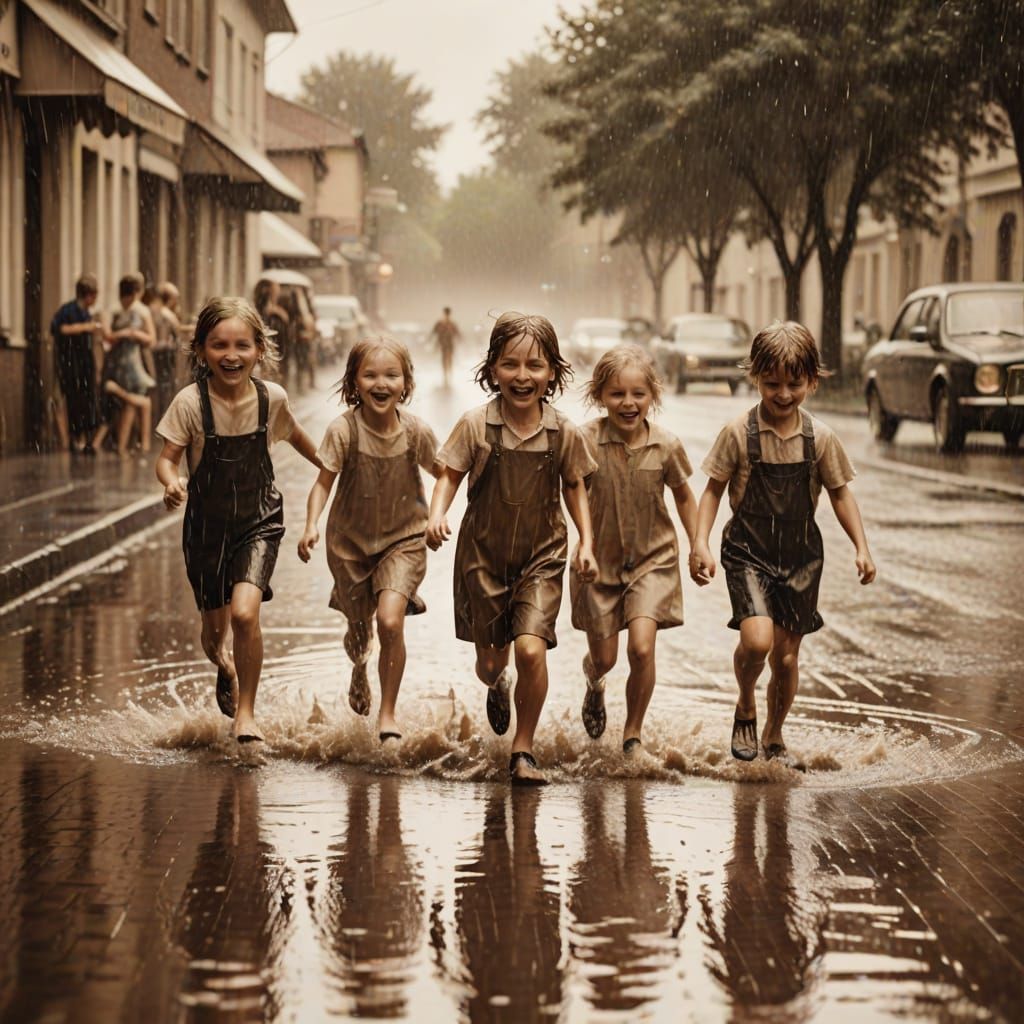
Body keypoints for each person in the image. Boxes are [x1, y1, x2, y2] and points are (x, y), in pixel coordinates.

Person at [689, 321, 876, 770]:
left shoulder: (820, 438)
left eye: (795, 384)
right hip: (748, 552)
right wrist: (700, 542)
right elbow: (712, 491)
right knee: (757, 642)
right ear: (755, 377)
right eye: (772, 384)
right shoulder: (738, 432)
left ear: (812, 380)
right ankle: (745, 702)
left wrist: (862, 547)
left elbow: (840, 494)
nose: (784, 394)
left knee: (787, 658)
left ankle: (774, 735)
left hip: (800, 557)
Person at [426, 312, 598, 785]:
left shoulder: (564, 431)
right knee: (489, 664)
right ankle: (497, 683)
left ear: (552, 372)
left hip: (542, 556)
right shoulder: (475, 424)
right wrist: (437, 514)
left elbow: (575, 486)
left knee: (530, 649)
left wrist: (586, 540)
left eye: (535, 365)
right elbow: (448, 476)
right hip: (483, 558)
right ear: (493, 369)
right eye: (511, 364)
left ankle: (524, 749)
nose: (523, 376)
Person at [155, 296, 320, 743]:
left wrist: (333, 465)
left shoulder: (271, 399)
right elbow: (167, 459)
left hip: (258, 520)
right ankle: (224, 663)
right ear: (201, 350)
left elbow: (298, 437)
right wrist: (171, 482)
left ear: (259, 350)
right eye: (219, 345)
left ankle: (246, 713)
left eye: (242, 345)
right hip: (206, 530)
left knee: (246, 614)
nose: (231, 355)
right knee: (214, 635)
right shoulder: (190, 403)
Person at [298, 336, 439, 743]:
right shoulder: (343, 430)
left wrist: (440, 514)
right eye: (370, 375)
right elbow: (322, 483)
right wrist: (311, 524)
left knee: (390, 620)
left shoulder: (415, 431)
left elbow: (447, 473)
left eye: (392, 375)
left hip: (404, 540)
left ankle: (388, 714)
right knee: (359, 631)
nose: (381, 383)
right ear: (354, 382)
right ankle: (360, 666)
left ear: (406, 382)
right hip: (350, 544)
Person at [571, 344, 703, 753]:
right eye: (617, 394)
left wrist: (698, 543)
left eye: (638, 394)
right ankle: (594, 681)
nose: (628, 403)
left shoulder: (666, 445)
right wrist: (583, 543)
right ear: (599, 396)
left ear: (653, 396)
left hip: (652, 560)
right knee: (606, 658)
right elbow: (572, 492)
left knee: (642, 647)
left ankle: (632, 734)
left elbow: (684, 496)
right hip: (599, 563)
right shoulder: (585, 440)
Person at [92, 273, 156, 456]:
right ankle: (129, 444)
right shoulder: (117, 311)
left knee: (130, 402)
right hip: (119, 362)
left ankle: (128, 445)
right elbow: (108, 335)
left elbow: (150, 339)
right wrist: (126, 333)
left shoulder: (140, 311)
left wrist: (132, 334)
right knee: (128, 402)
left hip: (130, 362)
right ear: (137, 291)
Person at [50, 274, 102, 454]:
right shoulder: (68, 310)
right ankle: (75, 437)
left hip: (84, 363)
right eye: (94, 296)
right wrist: (86, 327)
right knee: (73, 399)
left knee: (87, 399)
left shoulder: (86, 313)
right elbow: (59, 329)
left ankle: (84, 437)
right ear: (88, 295)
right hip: (71, 364)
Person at [151, 281, 182, 424]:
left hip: (153, 355)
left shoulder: (152, 311)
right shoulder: (169, 315)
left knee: (155, 391)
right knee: (166, 390)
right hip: (164, 356)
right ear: (170, 299)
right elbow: (177, 336)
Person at [253, 278, 291, 386]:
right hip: (271, 352)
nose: (278, 292)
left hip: (278, 351)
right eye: (276, 289)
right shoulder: (267, 313)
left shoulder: (276, 310)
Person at [429, 306, 461, 388]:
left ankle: (448, 376)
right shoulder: (442, 323)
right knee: (445, 359)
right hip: (444, 345)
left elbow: (457, 334)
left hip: (448, 345)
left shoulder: (450, 324)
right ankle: (446, 376)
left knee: (448, 359)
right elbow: (433, 332)